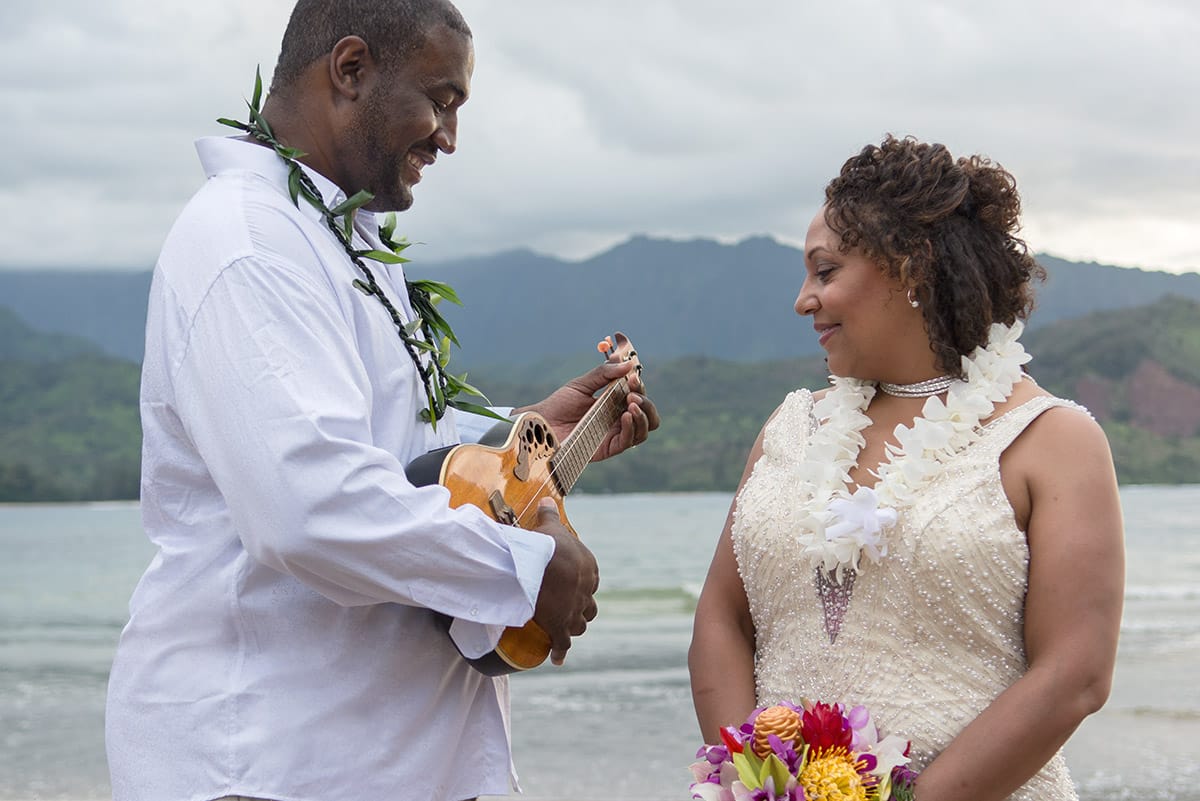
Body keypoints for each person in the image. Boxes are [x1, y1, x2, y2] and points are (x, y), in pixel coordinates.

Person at [104, 2, 659, 801]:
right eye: (442, 99)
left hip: (382, 757)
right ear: (351, 68)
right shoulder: (250, 244)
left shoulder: (338, 238)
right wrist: (524, 563)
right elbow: (310, 506)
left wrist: (527, 440)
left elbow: (392, 456)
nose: (449, 137)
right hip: (274, 764)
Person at [689, 135, 1123, 800]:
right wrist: (755, 780)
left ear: (909, 267)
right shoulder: (787, 430)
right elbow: (721, 616)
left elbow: (1076, 672)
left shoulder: (1051, 439)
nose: (804, 300)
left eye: (825, 271)